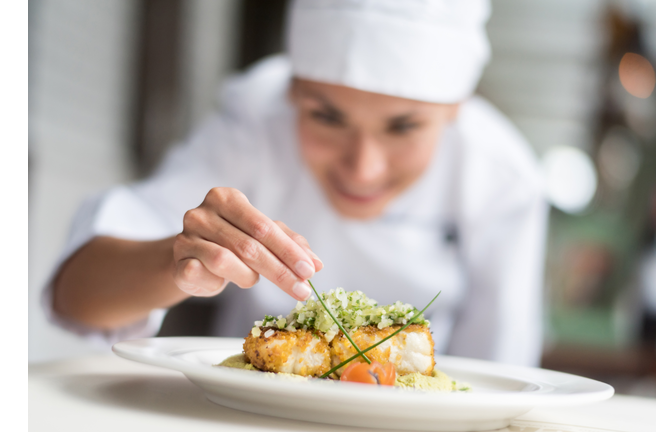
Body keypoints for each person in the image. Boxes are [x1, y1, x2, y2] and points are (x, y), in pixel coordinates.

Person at [43, 0, 548, 366]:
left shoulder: (500, 176)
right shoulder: (256, 121)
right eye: (326, 117)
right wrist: (178, 261)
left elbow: (500, 371)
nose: (363, 168)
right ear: (292, 92)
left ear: (455, 109)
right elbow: (74, 295)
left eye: (403, 126)